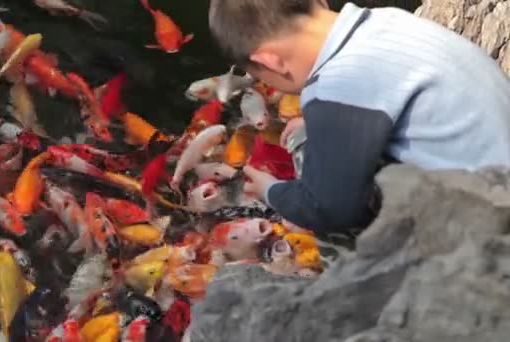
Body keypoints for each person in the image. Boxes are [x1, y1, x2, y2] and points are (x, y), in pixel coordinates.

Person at [208, 0, 510, 240]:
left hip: (494, 219)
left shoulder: (336, 86)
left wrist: (270, 191)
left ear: (269, 61)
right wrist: (321, 119)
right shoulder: (385, 20)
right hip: (496, 157)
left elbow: (329, 209)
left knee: (313, 170)